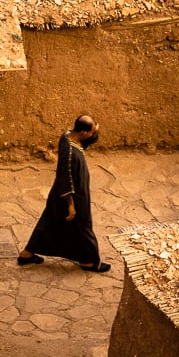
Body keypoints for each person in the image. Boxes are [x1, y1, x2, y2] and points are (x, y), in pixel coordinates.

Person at [18, 115, 109, 272]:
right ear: (82, 132)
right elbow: (66, 179)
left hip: (59, 193)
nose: (93, 135)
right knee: (83, 225)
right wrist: (71, 206)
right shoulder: (70, 153)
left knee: (49, 223)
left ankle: (26, 254)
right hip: (71, 196)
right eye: (92, 132)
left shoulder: (67, 135)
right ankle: (89, 261)